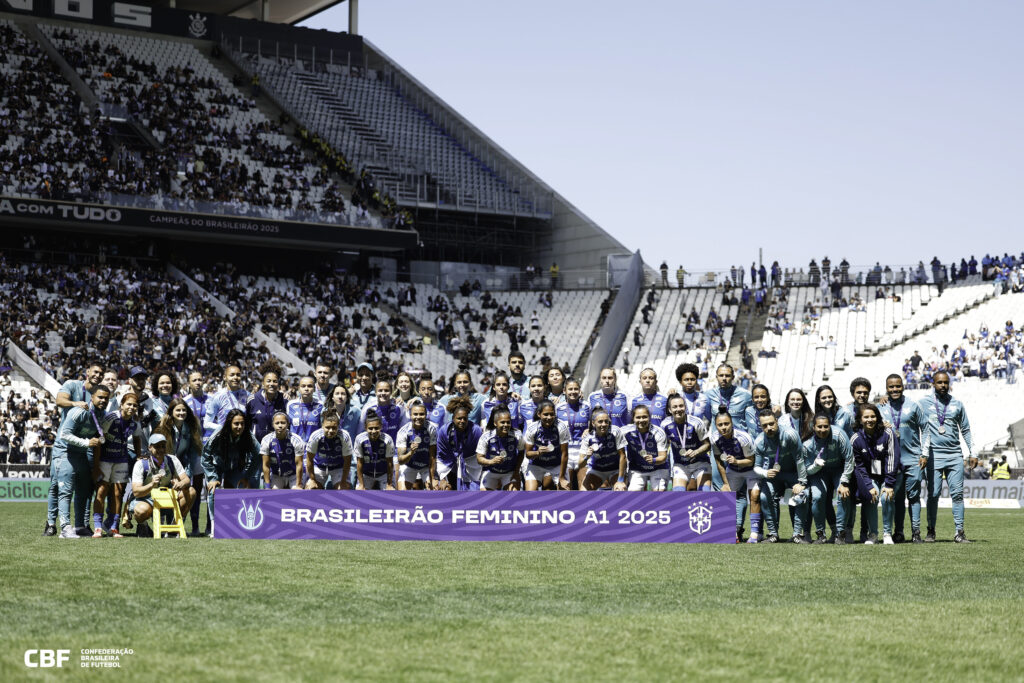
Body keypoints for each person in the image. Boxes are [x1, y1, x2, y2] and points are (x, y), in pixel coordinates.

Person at [45, 362, 103, 536]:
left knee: (85, 488)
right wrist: (75, 403)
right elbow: (59, 400)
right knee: (57, 487)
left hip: (85, 449)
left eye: (101, 373)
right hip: (64, 447)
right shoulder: (72, 385)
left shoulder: (99, 395)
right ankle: (51, 524)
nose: (98, 375)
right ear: (87, 372)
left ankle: (82, 524)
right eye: (95, 372)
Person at [919, 371, 974, 542]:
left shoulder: (957, 404)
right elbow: (903, 407)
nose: (943, 385)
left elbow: (965, 429)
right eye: (939, 382)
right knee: (933, 494)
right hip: (933, 456)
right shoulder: (922, 404)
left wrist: (973, 452)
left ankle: (959, 531)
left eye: (945, 382)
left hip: (954, 455)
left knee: (957, 494)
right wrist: (884, 400)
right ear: (933, 384)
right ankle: (930, 530)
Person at [56, 385, 111, 538]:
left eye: (106, 398)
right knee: (66, 492)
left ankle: (80, 527)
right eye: (100, 397)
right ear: (91, 397)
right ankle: (65, 528)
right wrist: (86, 443)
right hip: (66, 454)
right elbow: (64, 434)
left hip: (82, 456)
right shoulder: (79, 411)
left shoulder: (103, 415)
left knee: (83, 492)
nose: (103, 400)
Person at [881, 374, 928, 543]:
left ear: (903, 386)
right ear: (887, 388)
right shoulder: (881, 407)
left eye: (898, 386)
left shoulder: (913, 405)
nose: (895, 389)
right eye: (891, 387)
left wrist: (924, 453)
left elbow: (926, 429)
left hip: (913, 459)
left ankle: (916, 532)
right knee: (897, 499)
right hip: (893, 461)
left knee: (914, 497)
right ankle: (898, 532)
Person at [91, 391, 144, 538]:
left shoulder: (134, 423)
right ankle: (98, 527)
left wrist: (139, 455)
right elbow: (98, 441)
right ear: (121, 404)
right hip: (105, 459)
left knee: (117, 495)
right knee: (101, 492)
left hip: (121, 460)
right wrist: (96, 466)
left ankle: (114, 527)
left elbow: (137, 438)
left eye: (135, 405)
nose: (132, 407)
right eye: (129, 404)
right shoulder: (111, 417)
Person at [752, 409, 808, 543]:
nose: (769, 428)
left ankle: (797, 535)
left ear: (777, 421)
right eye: (765, 425)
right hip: (774, 476)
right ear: (760, 426)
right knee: (765, 496)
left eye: (771, 423)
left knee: (801, 494)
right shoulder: (760, 441)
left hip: (793, 474)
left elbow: (800, 460)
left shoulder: (790, 434)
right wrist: (765, 473)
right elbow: (756, 467)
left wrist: (801, 482)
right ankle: (773, 534)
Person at [849, 404, 901, 544]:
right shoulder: (855, 439)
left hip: (889, 475)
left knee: (886, 497)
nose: (870, 419)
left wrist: (889, 484)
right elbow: (859, 466)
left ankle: (887, 533)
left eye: (873, 416)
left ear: (878, 418)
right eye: (866, 417)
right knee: (872, 495)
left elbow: (892, 458)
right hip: (870, 476)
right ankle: (873, 534)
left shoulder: (888, 433)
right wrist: (868, 485)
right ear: (860, 420)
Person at [202, 409, 261, 529]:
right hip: (217, 466)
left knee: (242, 487)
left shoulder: (248, 435)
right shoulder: (218, 434)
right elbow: (205, 456)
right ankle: (214, 526)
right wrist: (212, 477)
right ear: (229, 424)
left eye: (242, 424)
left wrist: (247, 476)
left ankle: (233, 524)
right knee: (213, 491)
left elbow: (258, 455)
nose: (239, 427)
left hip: (235, 468)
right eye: (236, 424)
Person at [154, 398, 204, 535]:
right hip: (165, 470)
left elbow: (193, 453)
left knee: (190, 492)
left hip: (182, 469)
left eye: (184, 410)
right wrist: (170, 475)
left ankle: (174, 527)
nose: (181, 412)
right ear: (171, 412)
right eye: (178, 410)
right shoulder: (163, 428)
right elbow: (159, 454)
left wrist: (184, 476)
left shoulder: (191, 427)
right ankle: (161, 526)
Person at [709, 407, 759, 543]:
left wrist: (737, 461)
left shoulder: (743, 438)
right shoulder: (714, 438)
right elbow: (719, 461)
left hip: (751, 468)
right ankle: (731, 531)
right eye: (720, 425)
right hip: (733, 470)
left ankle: (755, 533)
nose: (723, 427)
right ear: (716, 425)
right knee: (727, 495)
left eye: (726, 424)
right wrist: (725, 483)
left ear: (732, 423)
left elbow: (751, 461)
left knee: (754, 496)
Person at [127, 434, 192, 536]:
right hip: (146, 499)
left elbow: (187, 480)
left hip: (167, 497)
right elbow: (136, 492)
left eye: (163, 446)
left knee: (191, 492)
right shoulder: (141, 464)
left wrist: (180, 484)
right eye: (157, 446)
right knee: (141, 511)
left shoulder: (172, 459)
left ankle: (173, 530)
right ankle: (143, 526)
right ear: (149, 447)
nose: (161, 449)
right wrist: (151, 484)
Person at [803, 413, 854, 544]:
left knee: (843, 493)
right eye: (819, 426)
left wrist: (844, 482)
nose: (823, 429)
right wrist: (815, 466)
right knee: (817, 497)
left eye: (826, 426)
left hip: (838, 469)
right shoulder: (808, 444)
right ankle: (821, 534)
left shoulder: (839, 435)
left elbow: (849, 458)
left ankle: (840, 533)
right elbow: (806, 470)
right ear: (813, 427)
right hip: (819, 472)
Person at [662, 395, 715, 491]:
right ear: (670, 410)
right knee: (678, 495)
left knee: (705, 493)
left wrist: (696, 452)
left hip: (700, 463)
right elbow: (663, 446)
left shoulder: (696, 422)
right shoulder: (665, 424)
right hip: (680, 465)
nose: (678, 409)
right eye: (675, 407)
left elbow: (707, 444)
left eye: (681, 406)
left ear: (685, 407)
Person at [436, 396, 483, 490]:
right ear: (453, 418)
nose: (462, 421)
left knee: (475, 491)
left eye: (465, 418)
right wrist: (443, 478)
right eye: (459, 418)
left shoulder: (476, 431)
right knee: (445, 488)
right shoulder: (444, 431)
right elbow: (442, 456)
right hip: (449, 464)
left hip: (471, 466)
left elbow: (481, 453)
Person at [523, 400, 570, 490]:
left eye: (552, 414)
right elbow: (528, 454)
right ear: (539, 414)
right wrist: (537, 453)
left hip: (556, 465)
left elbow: (565, 454)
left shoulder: (561, 427)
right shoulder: (532, 428)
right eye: (546, 414)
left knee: (565, 491)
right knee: (530, 493)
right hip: (536, 465)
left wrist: (562, 477)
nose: (549, 417)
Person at [621, 404, 670, 491]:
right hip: (637, 469)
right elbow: (612, 432)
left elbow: (663, 457)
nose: (641, 420)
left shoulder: (658, 433)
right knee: (633, 495)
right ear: (633, 418)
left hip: (658, 468)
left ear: (649, 418)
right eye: (638, 417)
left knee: (659, 492)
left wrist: (654, 460)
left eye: (644, 417)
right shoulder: (626, 431)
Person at [476, 406, 525, 491]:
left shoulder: (517, 435)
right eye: (502, 422)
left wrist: (516, 472)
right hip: (490, 472)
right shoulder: (486, 436)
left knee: (513, 495)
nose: (506, 425)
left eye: (508, 422)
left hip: (509, 472)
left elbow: (521, 453)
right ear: (495, 423)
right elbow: (479, 458)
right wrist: (491, 461)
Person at [579, 408, 627, 491]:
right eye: (600, 421)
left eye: (606, 421)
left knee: (620, 488)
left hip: (615, 469)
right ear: (593, 423)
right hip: (597, 470)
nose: (604, 424)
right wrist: (587, 457)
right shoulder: (587, 437)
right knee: (583, 492)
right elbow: (580, 465)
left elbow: (623, 456)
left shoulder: (615, 431)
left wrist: (620, 480)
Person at [556, 378, 591, 490]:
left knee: (584, 487)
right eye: (570, 389)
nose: (573, 391)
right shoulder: (558, 408)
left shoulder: (587, 406)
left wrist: (590, 429)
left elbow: (595, 423)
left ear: (580, 391)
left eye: (576, 389)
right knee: (565, 487)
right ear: (564, 391)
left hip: (583, 450)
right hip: (565, 451)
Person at [305, 412, 353, 490]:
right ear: (322, 426)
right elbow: (309, 459)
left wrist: (343, 481)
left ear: (338, 426)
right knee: (311, 488)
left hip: (338, 467)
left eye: (334, 428)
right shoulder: (315, 436)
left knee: (344, 489)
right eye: (327, 427)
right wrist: (312, 480)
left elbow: (347, 461)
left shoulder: (344, 436)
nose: (330, 431)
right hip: (319, 466)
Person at [395, 403, 438, 490]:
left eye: (421, 414)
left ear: (426, 415)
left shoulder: (431, 429)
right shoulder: (403, 432)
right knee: (402, 494)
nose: (418, 417)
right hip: (409, 466)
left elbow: (432, 456)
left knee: (434, 489)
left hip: (426, 466)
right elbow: (401, 460)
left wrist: (432, 478)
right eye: (415, 414)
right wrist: (411, 452)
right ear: (410, 415)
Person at [260, 412, 305, 489]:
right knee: (274, 493)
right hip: (276, 475)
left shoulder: (296, 440)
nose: (280, 426)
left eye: (283, 423)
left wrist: (298, 484)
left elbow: (299, 464)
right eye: (277, 423)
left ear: (288, 424)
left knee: (296, 492)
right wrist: (267, 486)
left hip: (294, 475)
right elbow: (266, 465)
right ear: (273, 425)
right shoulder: (266, 440)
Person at [354, 413, 396, 490]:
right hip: (366, 474)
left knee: (391, 492)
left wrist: (389, 484)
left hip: (383, 474)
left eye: (376, 428)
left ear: (381, 427)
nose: (373, 431)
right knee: (359, 493)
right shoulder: (359, 439)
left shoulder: (387, 440)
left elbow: (390, 463)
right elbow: (359, 463)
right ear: (365, 428)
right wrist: (361, 484)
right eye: (370, 428)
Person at [203, 365, 248, 435]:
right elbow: (206, 424)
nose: (235, 377)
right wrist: (225, 428)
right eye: (232, 375)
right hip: (224, 440)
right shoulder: (217, 397)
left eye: (238, 375)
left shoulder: (247, 395)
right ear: (225, 377)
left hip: (243, 440)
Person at [247, 369, 286, 444]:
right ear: (263, 383)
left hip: (278, 446)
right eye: (268, 381)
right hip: (257, 446)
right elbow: (247, 423)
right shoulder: (252, 400)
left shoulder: (284, 401)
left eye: (275, 381)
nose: (271, 384)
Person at [287, 376, 324, 444]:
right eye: (303, 386)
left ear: (314, 389)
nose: (306, 389)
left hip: (314, 449)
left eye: (309, 386)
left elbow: (323, 428)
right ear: (299, 388)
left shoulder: (320, 405)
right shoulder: (290, 405)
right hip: (295, 449)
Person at [184, 371, 212, 441]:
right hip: (193, 443)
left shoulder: (212, 399)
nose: (197, 383)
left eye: (200, 380)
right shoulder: (184, 402)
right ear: (189, 384)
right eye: (194, 380)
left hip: (210, 442)